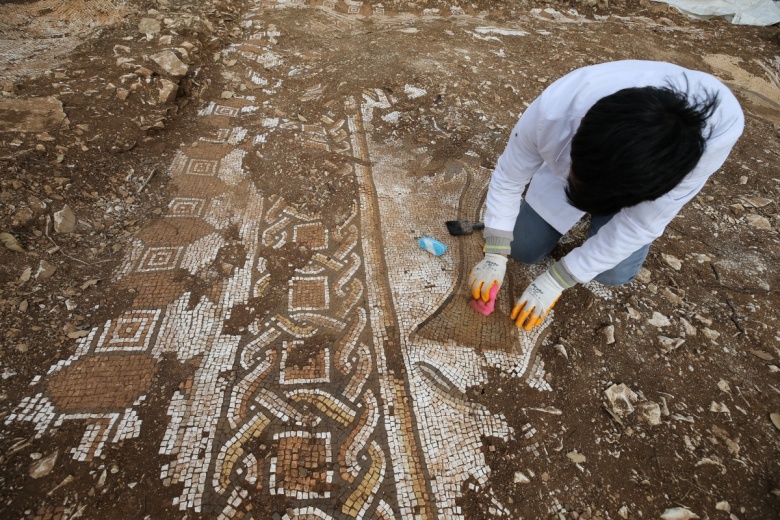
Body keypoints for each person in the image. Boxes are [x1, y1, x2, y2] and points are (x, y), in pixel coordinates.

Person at [468, 60, 744, 330]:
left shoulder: (709, 143)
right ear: (580, 139)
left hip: (638, 178)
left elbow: (640, 224)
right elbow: (509, 176)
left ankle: (605, 209)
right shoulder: (558, 107)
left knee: (613, 273)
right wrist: (495, 250)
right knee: (521, 247)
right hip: (598, 159)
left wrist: (556, 280)